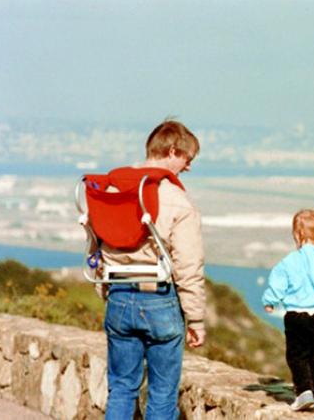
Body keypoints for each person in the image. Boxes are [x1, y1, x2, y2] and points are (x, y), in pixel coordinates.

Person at [98, 120, 206, 420]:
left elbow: (97, 244)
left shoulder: (112, 187)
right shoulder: (177, 199)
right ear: (172, 151)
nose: (188, 167)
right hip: (159, 298)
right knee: (162, 393)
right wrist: (196, 318)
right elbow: (189, 265)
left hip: (118, 294)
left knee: (120, 388)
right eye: (187, 159)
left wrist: (104, 290)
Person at [262, 209, 314, 411]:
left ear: (297, 235)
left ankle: (303, 391)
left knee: (296, 355)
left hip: (296, 315)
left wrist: (270, 301)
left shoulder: (290, 261)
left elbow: (278, 284)